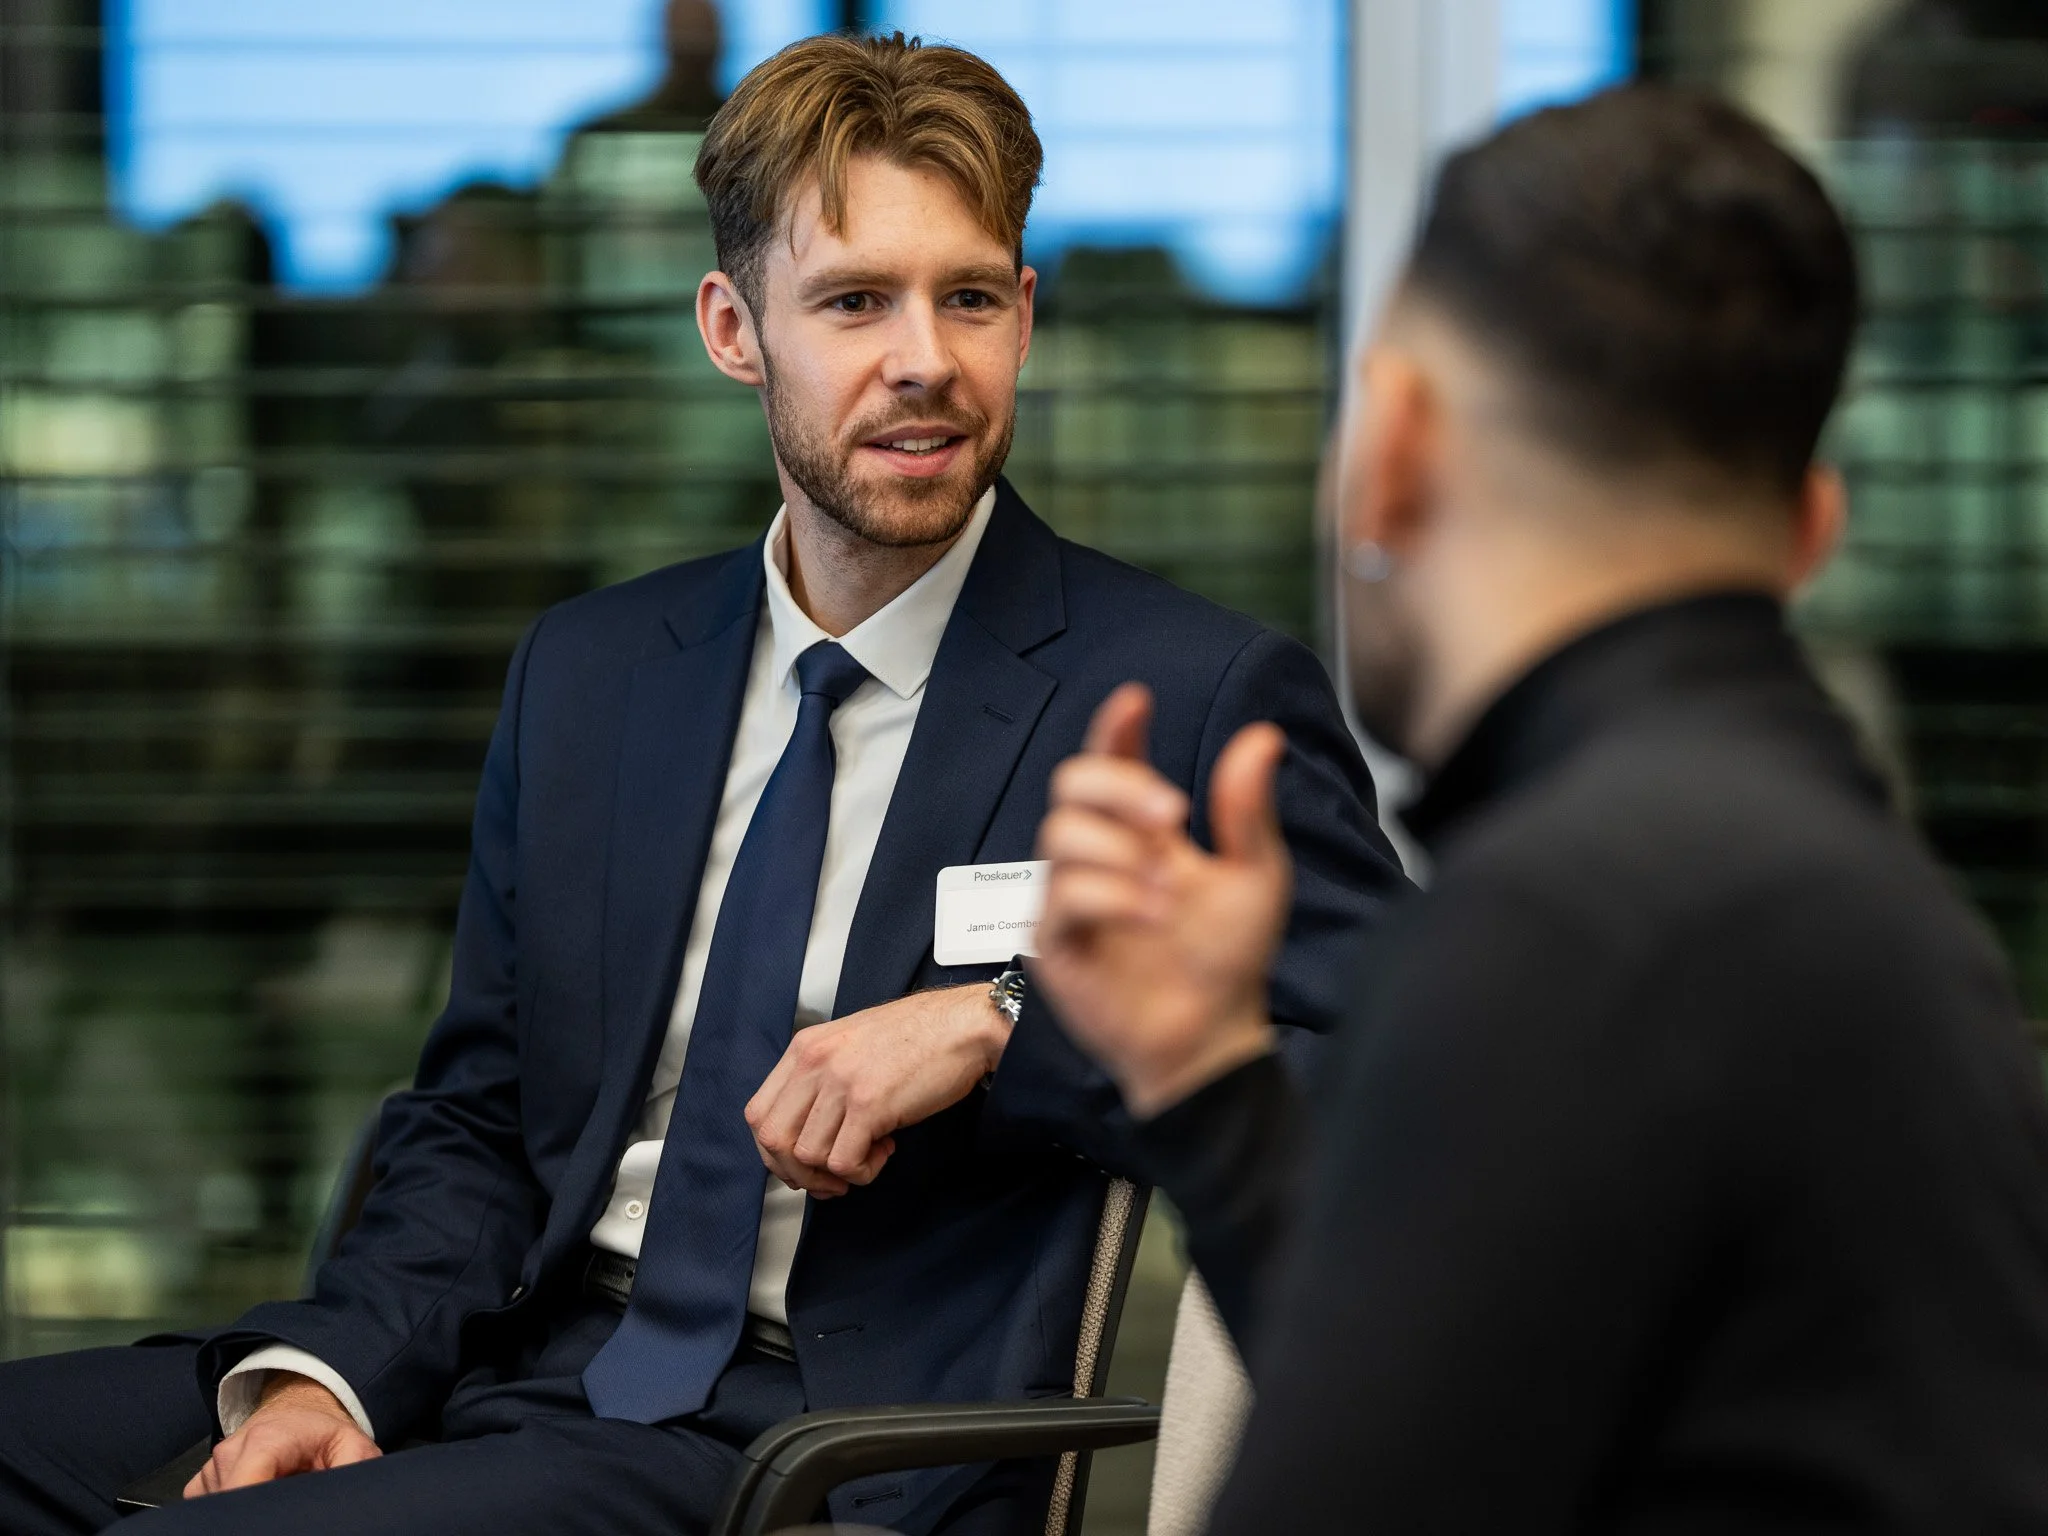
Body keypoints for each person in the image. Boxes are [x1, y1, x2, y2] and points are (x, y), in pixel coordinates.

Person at [0, 32, 1404, 1536]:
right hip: (513, 1357)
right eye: (856, 301)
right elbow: (478, 1117)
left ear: (1026, 320)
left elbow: (1394, 1065)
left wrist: (1001, 1019)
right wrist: (331, 1380)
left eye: (970, 298)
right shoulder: (594, 674)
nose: (924, 356)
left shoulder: (1185, 695)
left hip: (803, 1435)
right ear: (735, 331)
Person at [1030, 84, 2048, 1532]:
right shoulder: (1833, 890)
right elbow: (1448, 1421)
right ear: (1810, 529)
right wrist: (1204, 1081)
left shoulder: (1571, 931)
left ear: (1393, 452)